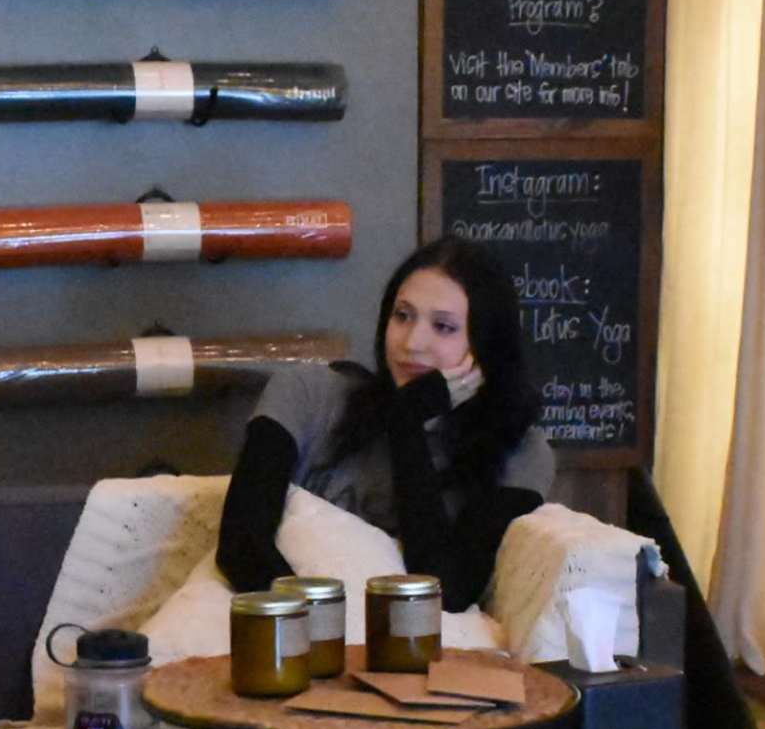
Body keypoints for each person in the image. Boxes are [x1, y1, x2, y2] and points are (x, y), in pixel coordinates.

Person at [218, 236, 557, 610]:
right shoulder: (308, 393)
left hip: (415, 645)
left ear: (486, 346)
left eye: (443, 327)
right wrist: (317, 632)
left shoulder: (523, 451)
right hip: (283, 628)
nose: (412, 342)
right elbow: (240, 546)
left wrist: (406, 419)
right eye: (403, 315)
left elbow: (448, 589)